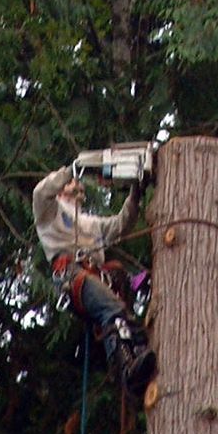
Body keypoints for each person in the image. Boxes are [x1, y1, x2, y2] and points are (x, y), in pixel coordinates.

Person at [33, 163, 155, 397]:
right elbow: (40, 192)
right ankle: (127, 371)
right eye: (70, 184)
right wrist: (71, 170)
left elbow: (121, 224)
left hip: (97, 274)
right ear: (60, 190)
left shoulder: (90, 223)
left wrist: (135, 192)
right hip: (70, 273)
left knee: (117, 302)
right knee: (113, 309)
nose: (76, 185)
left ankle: (138, 353)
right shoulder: (49, 210)